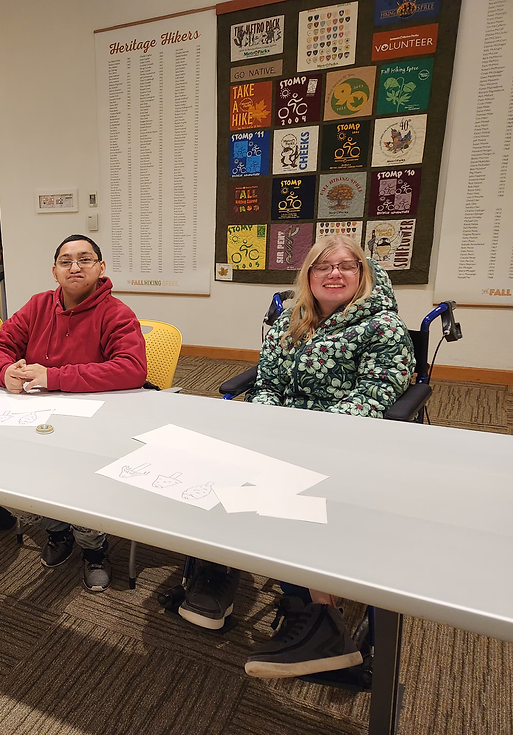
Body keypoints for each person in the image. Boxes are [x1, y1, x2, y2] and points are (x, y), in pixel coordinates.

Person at [177, 234, 415, 678]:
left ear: (363, 274)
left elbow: (376, 394)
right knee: (213, 463)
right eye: (323, 266)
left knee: (286, 493)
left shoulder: (383, 327)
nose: (335, 274)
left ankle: (317, 616)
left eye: (346, 266)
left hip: (344, 440)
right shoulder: (291, 321)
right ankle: (219, 569)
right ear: (309, 275)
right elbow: (267, 383)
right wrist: (267, 425)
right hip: (281, 433)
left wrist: (307, 436)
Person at [0, 234, 148, 592]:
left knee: (81, 488)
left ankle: (94, 548)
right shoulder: (38, 305)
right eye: (66, 261)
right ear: (54, 271)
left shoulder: (116, 313)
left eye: (85, 259)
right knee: (8, 483)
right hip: (36, 421)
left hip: (95, 424)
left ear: (101, 268)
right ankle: (57, 531)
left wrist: (53, 377)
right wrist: (4, 371)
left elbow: (132, 369)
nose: (75, 267)